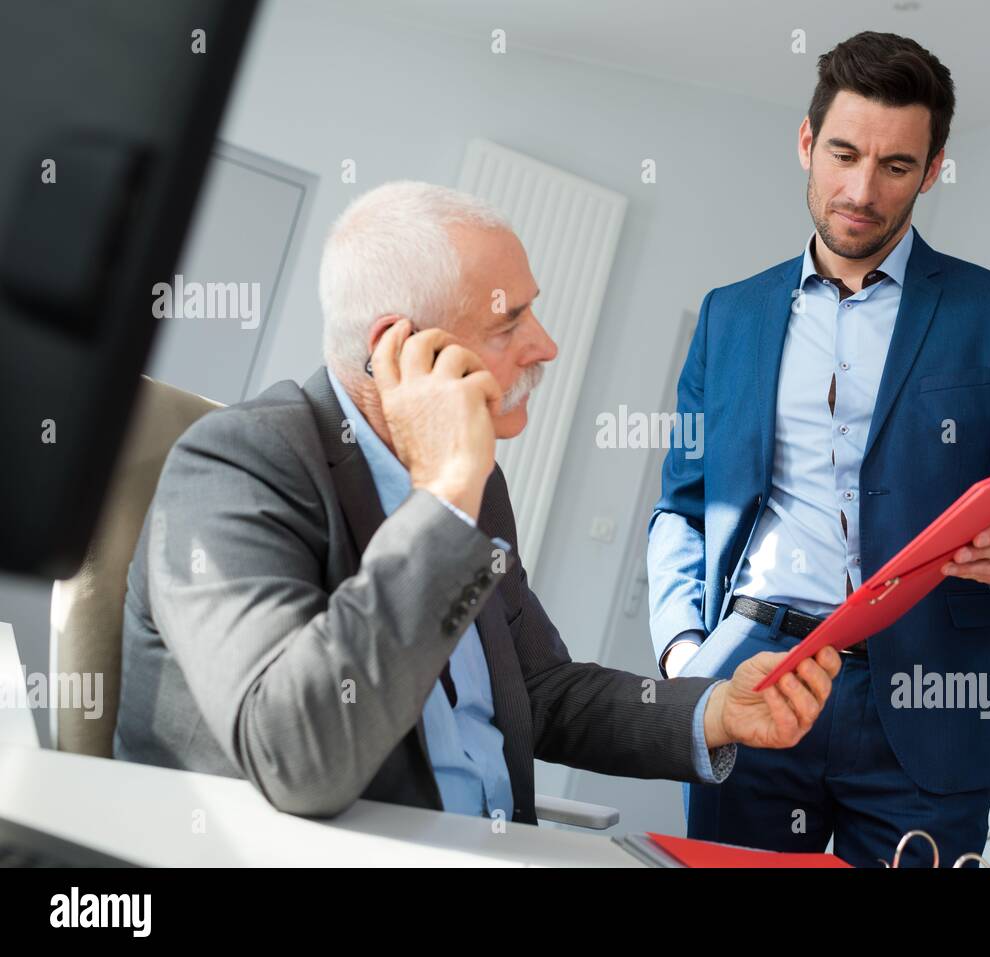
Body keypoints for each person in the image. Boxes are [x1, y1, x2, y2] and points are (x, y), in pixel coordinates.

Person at [114, 180, 842, 822]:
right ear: (398, 350)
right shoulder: (239, 464)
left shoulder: (476, 485)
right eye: (509, 322)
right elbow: (300, 757)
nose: (546, 345)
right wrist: (443, 497)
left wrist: (717, 708)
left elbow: (540, 689)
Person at [647, 31, 990, 866]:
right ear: (807, 143)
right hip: (754, 671)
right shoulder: (728, 316)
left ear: (932, 170)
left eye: (895, 166)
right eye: (844, 153)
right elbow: (683, 503)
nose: (861, 190)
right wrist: (682, 654)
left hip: (935, 695)